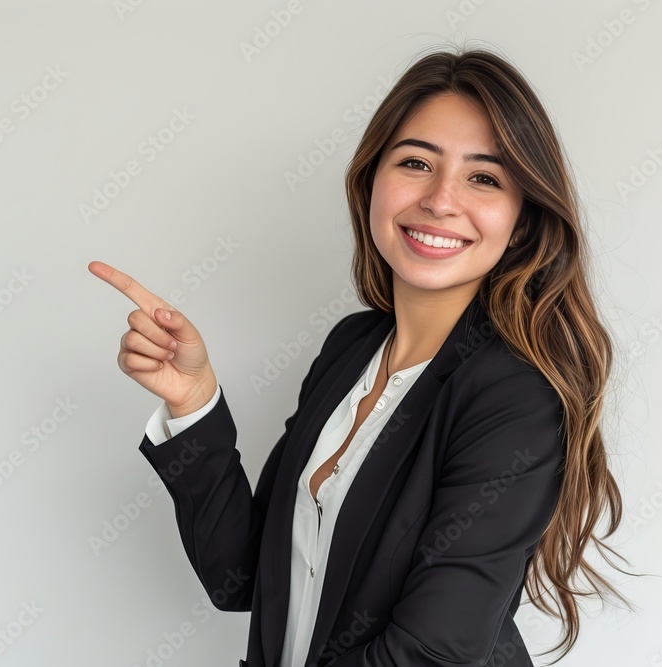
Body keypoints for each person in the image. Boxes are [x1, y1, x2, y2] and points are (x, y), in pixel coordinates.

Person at [89, 45, 633, 667]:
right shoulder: (351, 347)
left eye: (484, 177)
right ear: (371, 180)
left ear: (522, 217)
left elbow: (432, 651)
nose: (440, 199)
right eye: (415, 163)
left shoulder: (515, 395)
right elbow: (240, 578)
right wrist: (192, 402)